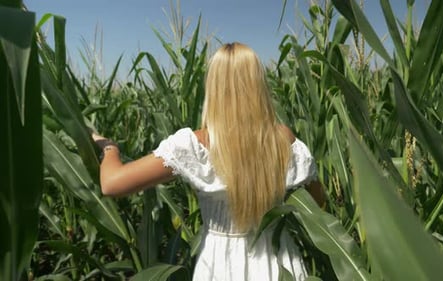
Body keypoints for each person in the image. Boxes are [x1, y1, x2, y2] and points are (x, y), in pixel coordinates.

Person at [92, 42, 325, 281]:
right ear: (259, 86)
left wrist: (110, 148)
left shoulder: (194, 145)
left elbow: (111, 183)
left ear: (214, 87)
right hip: (280, 263)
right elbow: (318, 205)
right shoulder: (285, 139)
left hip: (221, 265)